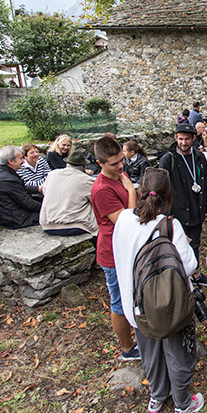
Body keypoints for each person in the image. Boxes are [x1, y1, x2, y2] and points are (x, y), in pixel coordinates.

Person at [112, 168, 204, 413]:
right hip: (167, 306)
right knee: (177, 352)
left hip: (136, 306)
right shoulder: (169, 226)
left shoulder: (121, 220)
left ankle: (157, 395)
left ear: (141, 192)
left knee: (150, 351)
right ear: (169, 197)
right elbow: (189, 265)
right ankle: (183, 404)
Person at [91, 136, 140, 361]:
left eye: (121, 159)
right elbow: (127, 220)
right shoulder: (101, 189)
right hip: (112, 253)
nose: (121, 166)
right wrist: (131, 191)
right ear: (100, 163)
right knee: (119, 301)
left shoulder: (122, 176)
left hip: (128, 248)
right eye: (114, 163)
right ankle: (127, 349)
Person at [159, 123, 207, 287]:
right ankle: (179, 278)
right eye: (180, 139)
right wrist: (165, 214)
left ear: (193, 138)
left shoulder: (199, 156)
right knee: (177, 246)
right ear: (176, 138)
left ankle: (195, 274)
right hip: (177, 211)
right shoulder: (168, 159)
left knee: (194, 243)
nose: (183, 143)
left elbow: (205, 183)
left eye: (187, 139)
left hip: (196, 208)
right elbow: (161, 188)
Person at [40, 150, 98, 237]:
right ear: (84, 167)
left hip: (47, 224)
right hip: (75, 225)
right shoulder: (86, 180)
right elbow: (97, 200)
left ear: (67, 164)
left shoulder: (52, 175)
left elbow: (44, 191)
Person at [0, 146, 42, 229]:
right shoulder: (8, 179)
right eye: (21, 158)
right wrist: (47, 207)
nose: (23, 161)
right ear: (10, 161)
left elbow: (19, 188)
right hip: (12, 219)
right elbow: (27, 203)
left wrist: (38, 188)